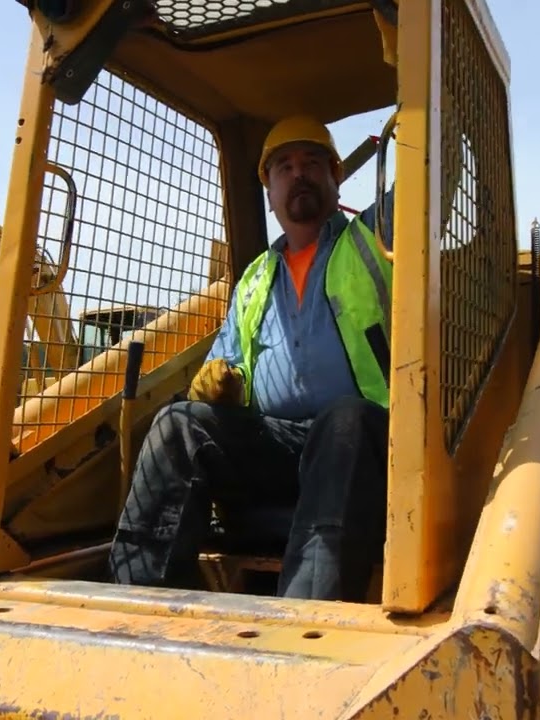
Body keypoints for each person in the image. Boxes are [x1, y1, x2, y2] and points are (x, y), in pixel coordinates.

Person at [108, 114, 395, 602]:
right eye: (283, 167)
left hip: (367, 446)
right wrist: (223, 384)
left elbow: (439, 179)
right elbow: (230, 362)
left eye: (311, 163)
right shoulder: (254, 280)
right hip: (277, 449)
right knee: (178, 423)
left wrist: (421, 113)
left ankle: (302, 623)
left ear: (335, 175)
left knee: (343, 420)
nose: (298, 174)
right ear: (269, 190)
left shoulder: (376, 238)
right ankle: (133, 606)